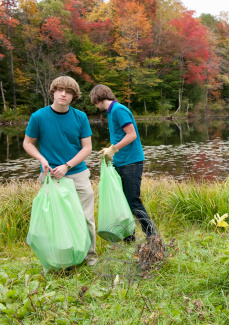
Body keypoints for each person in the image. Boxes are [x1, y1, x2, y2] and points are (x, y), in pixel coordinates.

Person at [23, 76, 98, 266]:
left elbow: (87, 148)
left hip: (77, 174)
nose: (63, 94)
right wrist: (41, 159)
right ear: (53, 92)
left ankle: (89, 257)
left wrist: (67, 166)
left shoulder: (80, 117)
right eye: (60, 90)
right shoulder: (38, 117)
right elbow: (28, 143)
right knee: (56, 220)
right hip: (50, 177)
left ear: (74, 96)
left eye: (69, 92)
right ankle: (61, 258)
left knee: (86, 217)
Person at [89, 84, 155, 241]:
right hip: (120, 162)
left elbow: (131, 135)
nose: (95, 105)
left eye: (94, 102)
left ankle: (152, 236)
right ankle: (128, 238)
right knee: (122, 201)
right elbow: (120, 137)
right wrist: (109, 153)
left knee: (133, 201)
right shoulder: (111, 112)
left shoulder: (119, 110)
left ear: (97, 98)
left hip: (131, 162)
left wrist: (113, 149)